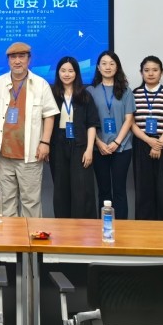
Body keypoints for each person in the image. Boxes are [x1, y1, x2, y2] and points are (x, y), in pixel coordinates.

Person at [0, 42, 59, 218]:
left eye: (22, 57)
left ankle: (30, 237)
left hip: (30, 155)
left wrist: (45, 142)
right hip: (4, 156)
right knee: (5, 203)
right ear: (8, 60)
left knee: (31, 202)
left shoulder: (40, 84)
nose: (17, 61)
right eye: (13, 57)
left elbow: (49, 115)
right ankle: (9, 237)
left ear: (29, 59)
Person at [131, 56, 163, 220]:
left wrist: (158, 144)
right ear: (141, 73)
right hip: (142, 144)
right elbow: (131, 123)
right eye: (146, 70)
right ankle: (145, 228)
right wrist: (149, 141)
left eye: (155, 70)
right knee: (143, 189)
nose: (151, 73)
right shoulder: (134, 94)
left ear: (162, 72)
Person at [87, 51, 135, 219]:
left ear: (117, 67)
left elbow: (129, 119)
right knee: (104, 190)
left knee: (120, 189)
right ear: (98, 67)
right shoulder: (90, 91)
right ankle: (104, 226)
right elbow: (88, 121)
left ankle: (121, 227)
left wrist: (117, 142)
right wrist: (98, 142)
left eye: (112, 63)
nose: (108, 67)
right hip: (99, 148)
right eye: (104, 63)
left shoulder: (126, 91)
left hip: (122, 148)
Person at [51, 56, 99, 219]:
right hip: (58, 145)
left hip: (80, 145)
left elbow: (92, 124)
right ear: (58, 73)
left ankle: (82, 228)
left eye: (71, 71)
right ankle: (62, 227)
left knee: (81, 189)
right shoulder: (52, 95)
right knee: (61, 189)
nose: (67, 74)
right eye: (63, 70)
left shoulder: (85, 96)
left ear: (76, 73)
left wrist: (89, 149)